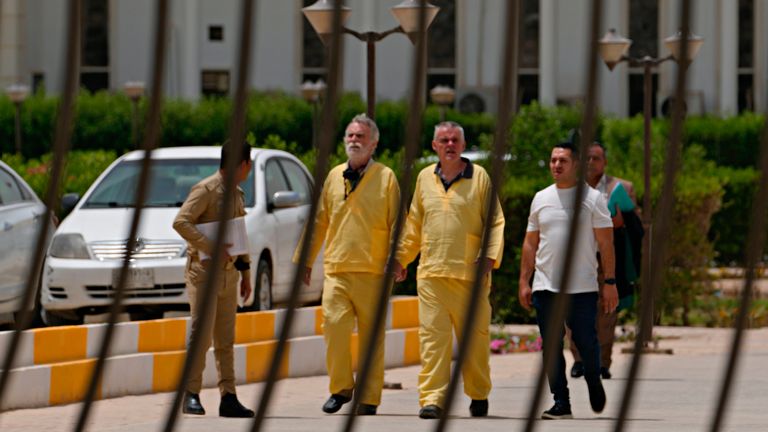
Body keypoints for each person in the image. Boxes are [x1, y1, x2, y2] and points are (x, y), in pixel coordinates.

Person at [393, 121, 505, 419]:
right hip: (431, 274)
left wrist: (490, 256)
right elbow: (415, 223)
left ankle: (478, 394)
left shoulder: (479, 178)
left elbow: (495, 221)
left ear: (463, 145)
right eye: (444, 140)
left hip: (470, 276)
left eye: (455, 140)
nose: (450, 145)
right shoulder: (423, 178)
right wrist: (401, 258)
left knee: (475, 343)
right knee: (432, 342)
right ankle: (432, 399)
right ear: (434, 146)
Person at [294, 114, 400, 416]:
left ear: (374, 143)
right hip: (337, 269)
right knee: (334, 329)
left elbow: (398, 223)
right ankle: (340, 388)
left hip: (373, 271)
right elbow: (319, 221)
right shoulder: (333, 176)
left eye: (361, 137)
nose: (354, 141)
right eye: (351, 136)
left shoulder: (386, 177)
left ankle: (368, 397)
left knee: (372, 339)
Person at [518, 141, 618, 419]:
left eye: (562, 161)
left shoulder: (593, 199)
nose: (557, 165)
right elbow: (530, 243)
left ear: (576, 165)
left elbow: (607, 244)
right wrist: (525, 281)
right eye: (553, 160)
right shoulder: (541, 198)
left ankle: (593, 380)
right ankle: (561, 403)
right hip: (545, 286)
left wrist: (609, 283)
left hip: (582, 288)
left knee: (586, 343)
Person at [172, 142, 255, 418]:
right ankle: (191, 394)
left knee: (225, 340)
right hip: (203, 275)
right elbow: (181, 221)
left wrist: (245, 273)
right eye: (249, 162)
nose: (250, 168)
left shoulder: (236, 193)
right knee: (201, 336)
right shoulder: (206, 190)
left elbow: (238, 232)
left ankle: (228, 397)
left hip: (229, 275)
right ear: (241, 164)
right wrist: (210, 244)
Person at [568, 142, 640, 380]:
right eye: (587, 158)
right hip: (578, 259)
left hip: (608, 258)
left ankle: (603, 362)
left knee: (607, 312)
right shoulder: (569, 187)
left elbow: (634, 223)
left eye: (596, 158)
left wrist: (619, 220)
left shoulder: (622, 187)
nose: (591, 162)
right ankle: (578, 360)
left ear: (605, 162)